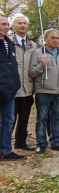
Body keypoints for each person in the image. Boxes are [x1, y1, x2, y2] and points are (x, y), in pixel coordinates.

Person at [29, 29, 59, 154]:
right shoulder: (38, 53)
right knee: (42, 118)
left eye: (57, 38)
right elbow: (31, 73)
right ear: (45, 39)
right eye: (53, 38)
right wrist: (41, 65)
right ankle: (41, 143)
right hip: (43, 91)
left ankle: (56, 142)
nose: (56, 40)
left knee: (57, 118)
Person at [11, 14, 37, 151]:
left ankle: (21, 142)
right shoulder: (8, 42)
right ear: (14, 26)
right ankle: (4, 146)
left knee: (24, 117)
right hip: (12, 89)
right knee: (9, 119)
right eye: (19, 23)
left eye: (24, 23)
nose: (22, 25)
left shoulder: (32, 45)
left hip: (27, 88)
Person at [0, 15, 23, 160]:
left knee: (8, 121)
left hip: (9, 91)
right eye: (3, 24)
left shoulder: (11, 45)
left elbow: (13, 67)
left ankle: (6, 150)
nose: (6, 27)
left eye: (7, 24)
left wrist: (15, 86)